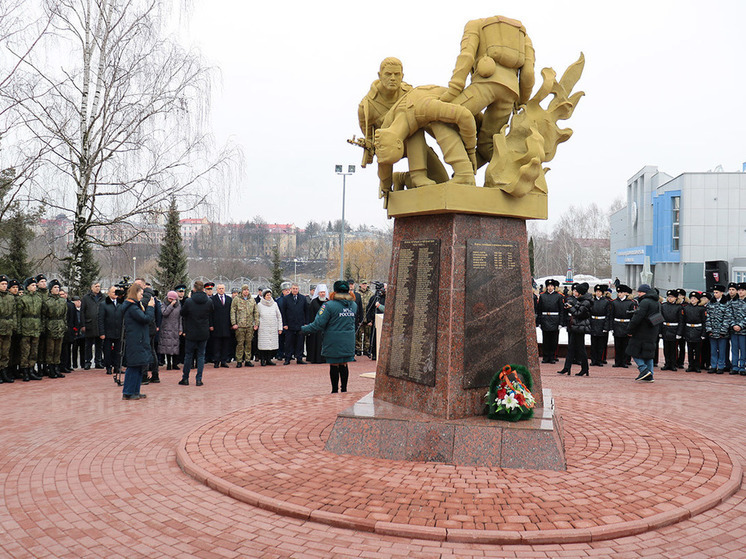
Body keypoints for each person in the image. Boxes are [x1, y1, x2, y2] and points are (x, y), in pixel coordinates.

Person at [439, 15, 535, 164]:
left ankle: (462, 170)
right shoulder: (523, 36)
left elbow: (466, 56)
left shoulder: (474, 25)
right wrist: (522, 101)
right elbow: (528, 74)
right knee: (488, 146)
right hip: (511, 93)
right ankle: (505, 170)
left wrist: (453, 90)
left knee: (444, 117)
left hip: (486, 84)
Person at [301, 280, 358, 393]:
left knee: (334, 364)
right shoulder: (353, 305)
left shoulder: (328, 305)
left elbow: (318, 324)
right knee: (344, 363)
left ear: (335, 291)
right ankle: (344, 389)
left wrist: (303, 329)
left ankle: (334, 390)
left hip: (333, 340)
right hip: (348, 340)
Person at [120, 283, 155, 400]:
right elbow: (146, 319)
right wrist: (150, 307)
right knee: (134, 366)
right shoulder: (132, 308)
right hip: (136, 340)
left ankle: (135, 390)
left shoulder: (135, 306)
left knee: (139, 365)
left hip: (139, 339)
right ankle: (129, 391)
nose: (142, 296)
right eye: (140, 293)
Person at [179, 280, 213, 386]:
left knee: (188, 355)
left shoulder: (189, 301)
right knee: (201, 355)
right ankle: (199, 379)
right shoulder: (208, 301)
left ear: (194, 289)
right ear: (203, 289)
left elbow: (182, 313)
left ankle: (185, 378)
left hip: (191, 331)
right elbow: (211, 311)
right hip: (203, 331)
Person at [627, 284, 660, 382]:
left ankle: (643, 369)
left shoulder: (645, 302)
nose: (639, 294)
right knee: (648, 354)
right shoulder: (657, 302)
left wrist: (630, 329)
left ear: (645, 292)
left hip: (641, 331)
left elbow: (637, 318)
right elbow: (658, 317)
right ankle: (650, 375)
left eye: (640, 292)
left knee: (633, 351)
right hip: (652, 331)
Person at [556, 282, 591, 376]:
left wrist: (570, 308)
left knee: (581, 348)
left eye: (576, 291)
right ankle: (567, 367)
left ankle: (585, 368)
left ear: (580, 293)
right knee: (571, 347)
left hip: (580, 326)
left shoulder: (586, 301)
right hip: (574, 326)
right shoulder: (581, 300)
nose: (574, 292)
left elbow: (578, 313)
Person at [42, 279, 68, 379]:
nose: (57, 289)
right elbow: (44, 315)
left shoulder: (62, 301)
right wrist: (45, 328)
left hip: (60, 325)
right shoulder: (47, 301)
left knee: (58, 349)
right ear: (51, 289)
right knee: (50, 349)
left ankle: (57, 368)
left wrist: (65, 326)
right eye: (55, 287)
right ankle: (51, 369)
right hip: (50, 326)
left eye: (58, 287)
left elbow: (65, 315)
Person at [18, 277, 43, 381]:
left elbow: (41, 314)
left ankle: (31, 370)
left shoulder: (38, 298)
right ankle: (25, 371)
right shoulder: (22, 298)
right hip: (26, 326)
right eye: (32, 285)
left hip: (36, 327)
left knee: (34, 350)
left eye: (35, 285)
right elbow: (18, 315)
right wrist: (19, 328)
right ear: (27, 287)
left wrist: (41, 326)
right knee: (25, 350)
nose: (34, 287)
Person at [98, 285, 125, 376]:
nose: (115, 294)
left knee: (118, 350)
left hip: (119, 331)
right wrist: (102, 332)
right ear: (108, 293)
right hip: (108, 331)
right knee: (107, 351)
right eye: (113, 292)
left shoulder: (121, 304)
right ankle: (108, 367)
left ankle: (117, 367)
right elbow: (100, 319)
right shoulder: (103, 304)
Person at [230, 284, 259, 368]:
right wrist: (234, 323)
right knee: (240, 343)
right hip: (240, 326)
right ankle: (239, 360)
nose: (246, 291)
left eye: (247, 290)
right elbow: (233, 312)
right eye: (244, 290)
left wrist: (256, 323)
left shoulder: (252, 300)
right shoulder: (236, 299)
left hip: (249, 325)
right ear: (241, 291)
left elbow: (256, 312)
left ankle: (248, 360)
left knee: (248, 343)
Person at [535, 278, 563, 363]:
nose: (550, 287)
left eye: (551, 286)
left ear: (554, 287)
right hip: (545, 319)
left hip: (555, 319)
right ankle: (545, 356)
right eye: (548, 286)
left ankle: (552, 356)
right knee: (546, 339)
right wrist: (539, 322)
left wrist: (560, 323)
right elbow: (539, 310)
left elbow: (561, 310)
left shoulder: (559, 296)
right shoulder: (542, 296)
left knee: (553, 339)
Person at [280, 282, 308, 365]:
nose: (295, 290)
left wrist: (306, 323)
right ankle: (287, 358)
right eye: (293, 289)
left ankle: (299, 358)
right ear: (291, 289)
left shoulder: (303, 298)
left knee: (300, 342)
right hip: (289, 324)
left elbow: (306, 311)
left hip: (300, 324)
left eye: (296, 289)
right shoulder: (286, 299)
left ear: (298, 289)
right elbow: (283, 312)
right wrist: (284, 324)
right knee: (288, 342)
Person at [610, 284, 637, 368]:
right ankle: (617, 361)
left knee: (625, 345)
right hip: (617, 325)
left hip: (626, 325)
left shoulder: (630, 303)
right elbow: (611, 315)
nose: (619, 294)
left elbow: (632, 317)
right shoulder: (614, 302)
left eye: (621, 292)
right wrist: (611, 327)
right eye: (618, 292)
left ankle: (624, 361)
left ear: (626, 293)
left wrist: (631, 328)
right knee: (617, 345)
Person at [706, 284, 730, 374]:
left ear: (722, 293)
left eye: (717, 292)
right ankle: (713, 366)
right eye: (714, 292)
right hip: (712, 331)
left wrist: (723, 331)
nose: (715, 294)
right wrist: (709, 329)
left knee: (722, 350)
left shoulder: (726, 303)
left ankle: (721, 366)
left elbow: (727, 318)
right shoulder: (710, 303)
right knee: (713, 350)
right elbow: (707, 317)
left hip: (722, 332)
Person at [80, 281, 104, 369]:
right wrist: (83, 324)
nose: (98, 288)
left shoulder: (103, 297)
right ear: (92, 287)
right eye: (96, 286)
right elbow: (82, 312)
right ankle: (87, 361)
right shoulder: (86, 298)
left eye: (99, 286)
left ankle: (98, 361)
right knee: (88, 345)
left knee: (99, 344)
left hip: (99, 324)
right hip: (89, 324)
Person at [256, 288, 283, 366]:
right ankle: (262, 360)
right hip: (263, 328)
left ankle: (269, 359)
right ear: (264, 296)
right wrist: (256, 325)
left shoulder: (274, 304)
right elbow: (257, 316)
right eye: (267, 295)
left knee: (271, 345)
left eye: (270, 295)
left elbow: (279, 316)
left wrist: (280, 327)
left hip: (273, 327)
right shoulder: (259, 305)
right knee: (263, 345)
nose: (269, 296)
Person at [589, 285, 612, 367]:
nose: (598, 293)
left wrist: (606, 327)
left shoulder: (606, 302)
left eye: (599, 292)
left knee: (601, 344)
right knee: (593, 344)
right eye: (597, 291)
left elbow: (608, 315)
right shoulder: (592, 301)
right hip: (593, 322)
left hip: (602, 323)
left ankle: (599, 360)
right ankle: (593, 360)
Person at [210, 283, 233, 368]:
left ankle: (224, 361)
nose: (221, 290)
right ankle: (216, 361)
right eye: (219, 288)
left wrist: (232, 324)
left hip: (227, 326)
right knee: (216, 345)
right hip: (216, 326)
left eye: (222, 288)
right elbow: (210, 313)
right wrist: (211, 325)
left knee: (225, 344)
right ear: (217, 289)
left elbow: (231, 313)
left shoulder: (229, 299)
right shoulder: (212, 299)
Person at [682, 291, 706, 372]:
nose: (692, 300)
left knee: (698, 350)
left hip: (698, 330)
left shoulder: (701, 309)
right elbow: (683, 321)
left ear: (698, 300)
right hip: (688, 330)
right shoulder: (686, 308)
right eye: (691, 298)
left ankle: (697, 365)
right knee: (689, 350)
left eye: (695, 298)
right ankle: (690, 365)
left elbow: (704, 322)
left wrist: (703, 333)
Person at [660, 290, 683, 371]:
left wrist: (679, 332)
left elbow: (681, 321)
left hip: (674, 329)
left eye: (672, 297)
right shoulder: (664, 306)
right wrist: (660, 331)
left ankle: (673, 364)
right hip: (665, 328)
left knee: (673, 348)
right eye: (669, 297)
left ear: (676, 298)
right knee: (666, 348)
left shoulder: (679, 307)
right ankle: (667, 363)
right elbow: (660, 318)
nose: (670, 298)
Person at [306, 284, 328, 364]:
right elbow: (311, 315)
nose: (322, 294)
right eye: (321, 292)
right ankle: (316, 358)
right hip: (316, 326)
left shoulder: (328, 302)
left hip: (326, 327)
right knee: (316, 342)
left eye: (323, 292)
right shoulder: (313, 302)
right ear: (318, 293)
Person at [159, 290, 182, 370]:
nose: (171, 300)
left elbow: (180, 317)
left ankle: (175, 364)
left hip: (175, 327)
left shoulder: (179, 305)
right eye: (170, 299)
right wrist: (171, 305)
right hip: (166, 327)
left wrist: (180, 328)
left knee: (175, 346)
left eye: (173, 299)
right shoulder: (164, 304)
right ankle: (168, 363)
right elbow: (164, 313)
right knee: (167, 346)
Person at [727, 282, 746, 375]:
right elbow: (729, 314)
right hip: (734, 330)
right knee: (734, 349)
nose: (740, 292)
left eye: (742, 290)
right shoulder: (733, 302)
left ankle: (743, 367)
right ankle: (735, 366)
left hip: (744, 331)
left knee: (743, 349)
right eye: (739, 290)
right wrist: (734, 325)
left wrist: (740, 325)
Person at [356, 280, 373, 357]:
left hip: (368, 317)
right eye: (363, 284)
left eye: (365, 284)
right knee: (359, 335)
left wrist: (371, 319)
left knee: (367, 335)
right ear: (360, 285)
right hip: (360, 317)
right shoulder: (357, 294)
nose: (364, 285)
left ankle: (366, 350)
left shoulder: (371, 294)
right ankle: (358, 349)